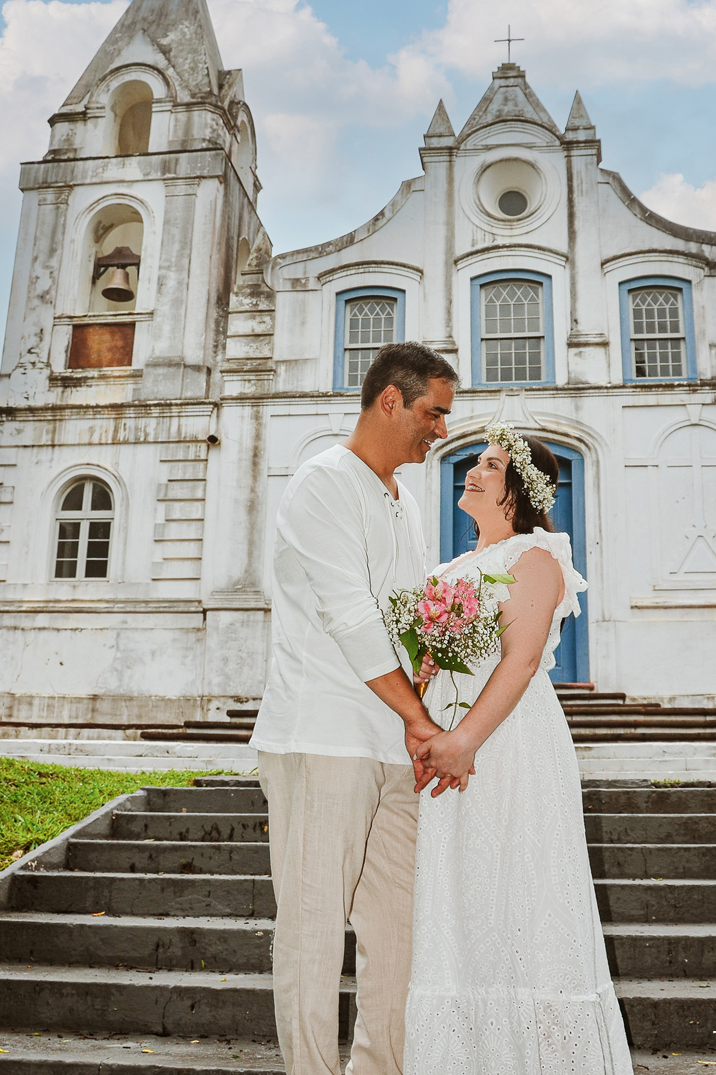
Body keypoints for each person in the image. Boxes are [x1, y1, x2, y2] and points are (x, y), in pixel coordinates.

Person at [250, 341, 461, 1075]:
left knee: (397, 936)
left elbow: (403, 619)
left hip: (391, 748)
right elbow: (348, 616)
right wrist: (421, 717)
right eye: (434, 414)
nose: (442, 432)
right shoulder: (323, 482)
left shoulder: (402, 502)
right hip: (322, 736)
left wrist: (432, 661)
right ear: (390, 401)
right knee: (312, 933)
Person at [404, 422, 634, 1075]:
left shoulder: (534, 556)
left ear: (521, 489)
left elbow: (523, 658)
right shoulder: (449, 570)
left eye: (492, 464)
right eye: (475, 461)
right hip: (450, 745)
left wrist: (464, 740)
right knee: (464, 903)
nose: (473, 471)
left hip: (508, 746)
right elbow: (432, 666)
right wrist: (424, 728)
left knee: (524, 900)